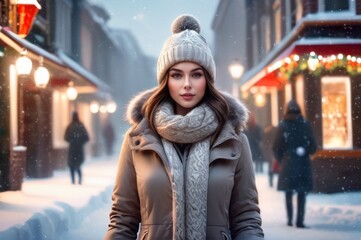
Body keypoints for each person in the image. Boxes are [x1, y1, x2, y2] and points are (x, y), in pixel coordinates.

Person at [104, 14, 264, 240]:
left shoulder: (233, 140)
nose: (187, 84)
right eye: (177, 75)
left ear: (207, 79)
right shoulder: (139, 139)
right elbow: (122, 218)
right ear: (165, 81)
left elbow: (246, 219)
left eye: (196, 74)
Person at [272, 100, 317, 228]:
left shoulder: (283, 126)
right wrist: (305, 151)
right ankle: (300, 221)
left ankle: (290, 219)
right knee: (301, 193)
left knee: (288, 192)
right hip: (303, 164)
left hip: (287, 163)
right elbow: (313, 146)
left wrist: (282, 159)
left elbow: (276, 147)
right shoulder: (306, 125)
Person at [64, 111, 89, 185]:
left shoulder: (70, 126)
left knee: (72, 164)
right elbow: (86, 137)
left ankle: (73, 180)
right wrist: (80, 142)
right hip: (79, 149)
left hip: (72, 148)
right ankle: (79, 180)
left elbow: (65, 137)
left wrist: (72, 140)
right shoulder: (81, 126)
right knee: (77, 164)